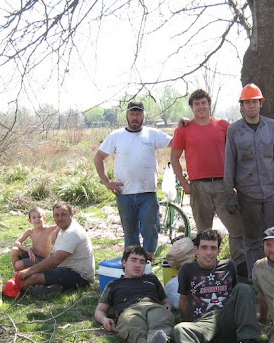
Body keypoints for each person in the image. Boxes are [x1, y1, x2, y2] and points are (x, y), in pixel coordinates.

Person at [173, 229, 260, 343]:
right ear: (195, 250)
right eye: (204, 247)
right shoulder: (187, 269)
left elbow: (238, 296)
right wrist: (191, 325)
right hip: (204, 324)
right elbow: (183, 300)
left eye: (213, 248)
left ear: (219, 250)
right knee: (180, 328)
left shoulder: (228, 266)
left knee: (243, 288)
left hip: (227, 317)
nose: (209, 252)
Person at [170, 89, 246, 274]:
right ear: (192, 107)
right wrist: (184, 183)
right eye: (196, 104)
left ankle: (238, 266)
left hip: (223, 185)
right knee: (204, 230)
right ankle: (206, 266)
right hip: (198, 186)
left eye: (203, 103)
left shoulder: (223, 125)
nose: (201, 106)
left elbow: (237, 153)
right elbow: (174, 158)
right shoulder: (184, 129)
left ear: (209, 104)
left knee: (236, 227)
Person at [224, 83, 274, 282]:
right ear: (242, 106)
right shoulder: (234, 130)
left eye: (255, 102)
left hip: (273, 192)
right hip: (247, 194)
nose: (251, 106)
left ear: (260, 104)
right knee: (252, 239)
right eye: (247, 103)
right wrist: (230, 193)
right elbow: (229, 162)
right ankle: (257, 280)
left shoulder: (271, 127)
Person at [94, 101, 172, 257]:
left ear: (143, 116)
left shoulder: (153, 134)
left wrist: (185, 126)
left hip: (148, 193)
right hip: (124, 194)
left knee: (151, 230)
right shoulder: (116, 136)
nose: (135, 117)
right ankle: (132, 264)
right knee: (130, 233)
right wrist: (107, 182)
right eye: (132, 114)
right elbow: (98, 157)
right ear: (127, 116)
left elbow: (176, 143)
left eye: (138, 114)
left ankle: (148, 262)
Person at [94, 245, 175, 343]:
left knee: (160, 325)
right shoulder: (114, 285)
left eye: (142, 262)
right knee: (136, 331)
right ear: (124, 262)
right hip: (128, 311)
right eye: (134, 260)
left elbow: (165, 301)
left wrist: (167, 308)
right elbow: (100, 310)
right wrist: (104, 320)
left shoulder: (152, 279)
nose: (138, 265)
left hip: (153, 306)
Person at [17, 202, 95, 296]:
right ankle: (50, 288)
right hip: (64, 268)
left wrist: (29, 271)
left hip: (79, 276)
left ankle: (12, 291)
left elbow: (55, 260)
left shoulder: (73, 232)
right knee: (34, 272)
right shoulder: (63, 228)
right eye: (56, 215)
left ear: (71, 215)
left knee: (34, 277)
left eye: (63, 214)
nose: (60, 218)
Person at [10, 207, 58, 271]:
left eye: (39, 217)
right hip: (32, 254)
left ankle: (27, 273)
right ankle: (16, 274)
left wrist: (55, 233)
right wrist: (27, 250)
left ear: (44, 218)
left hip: (42, 260)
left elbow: (60, 224)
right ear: (30, 221)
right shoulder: (30, 231)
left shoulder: (49, 229)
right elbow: (16, 242)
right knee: (14, 250)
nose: (37, 219)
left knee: (18, 265)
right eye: (34, 217)